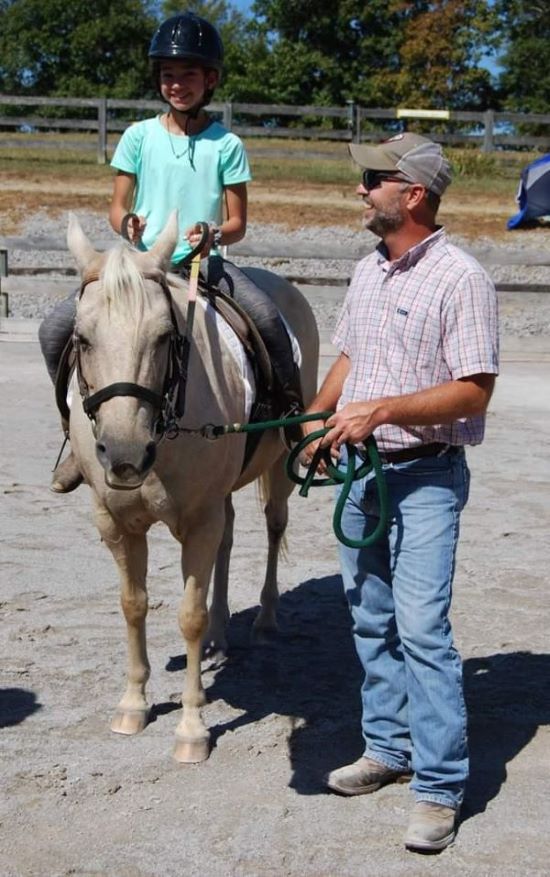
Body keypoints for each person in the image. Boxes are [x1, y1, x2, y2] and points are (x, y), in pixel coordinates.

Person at [302, 133, 499, 852]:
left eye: (372, 179)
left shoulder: (460, 278)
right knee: (369, 617)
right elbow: (352, 355)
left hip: (425, 476)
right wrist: (322, 416)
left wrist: (380, 411)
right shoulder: (368, 271)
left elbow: (475, 389)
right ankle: (388, 746)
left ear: (412, 193)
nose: (360, 189)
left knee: (421, 628)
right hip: (362, 472)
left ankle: (440, 785)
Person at [39, 10, 301, 493]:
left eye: (187, 75)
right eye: (168, 75)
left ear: (211, 80)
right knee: (55, 328)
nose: (176, 84)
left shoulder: (228, 144)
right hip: (140, 268)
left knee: (267, 321)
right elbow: (117, 207)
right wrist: (127, 222)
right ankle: (74, 440)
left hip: (205, 265)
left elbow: (239, 223)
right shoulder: (138, 137)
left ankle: (290, 425)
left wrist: (214, 233)